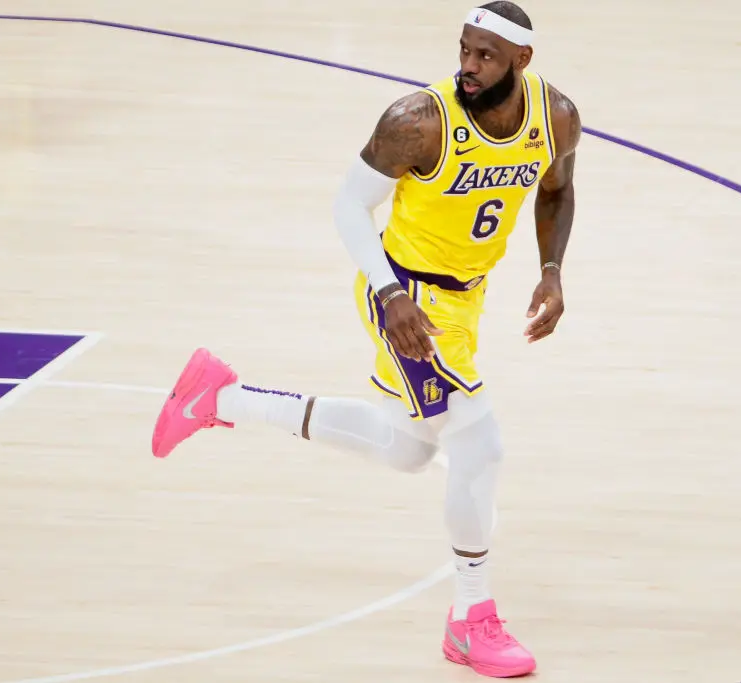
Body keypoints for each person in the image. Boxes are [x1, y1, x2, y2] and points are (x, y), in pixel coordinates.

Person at [150, 1, 580, 677]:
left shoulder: (554, 117)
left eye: (485, 57)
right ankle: (471, 619)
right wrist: (388, 293)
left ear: (522, 62)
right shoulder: (419, 121)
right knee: (480, 442)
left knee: (406, 447)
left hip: (465, 301)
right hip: (406, 299)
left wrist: (552, 270)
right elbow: (349, 204)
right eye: (464, 50)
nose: (467, 66)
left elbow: (557, 188)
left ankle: (221, 397)